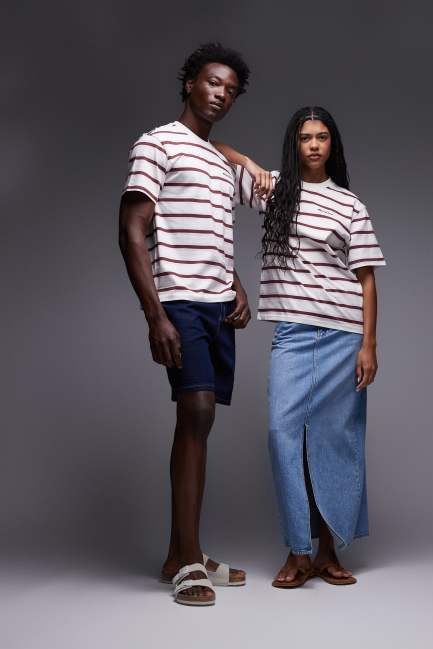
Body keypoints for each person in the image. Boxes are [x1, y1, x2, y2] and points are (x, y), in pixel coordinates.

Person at [215, 106, 386, 588]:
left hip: (343, 335)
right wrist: (250, 164)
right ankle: (297, 550)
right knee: (281, 433)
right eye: (306, 137)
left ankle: (328, 551)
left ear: (333, 145)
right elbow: (212, 150)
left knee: (336, 440)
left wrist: (369, 344)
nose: (314, 145)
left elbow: (366, 279)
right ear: (295, 143)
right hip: (292, 333)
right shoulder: (274, 190)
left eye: (322, 137)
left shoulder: (350, 204)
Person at [118, 43, 258, 607]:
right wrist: (155, 315)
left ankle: (181, 554)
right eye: (212, 82)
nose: (220, 93)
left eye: (230, 89)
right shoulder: (155, 143)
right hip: (179, 302)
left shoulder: (219, 162)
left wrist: (237, 284)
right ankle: (189, 560)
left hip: (218, 305)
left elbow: (215, 229)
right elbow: (132, 228)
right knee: (195, 411)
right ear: (189, 84)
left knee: (200, 422)